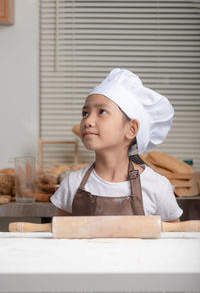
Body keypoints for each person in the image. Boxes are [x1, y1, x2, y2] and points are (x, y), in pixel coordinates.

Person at [50, 68, 183, 222]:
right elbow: (62, 239)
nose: (88, 121)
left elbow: (174, 240)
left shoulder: (156, 187)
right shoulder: (72, 184)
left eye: (102, 112)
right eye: (85, 113)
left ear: (131, 129)